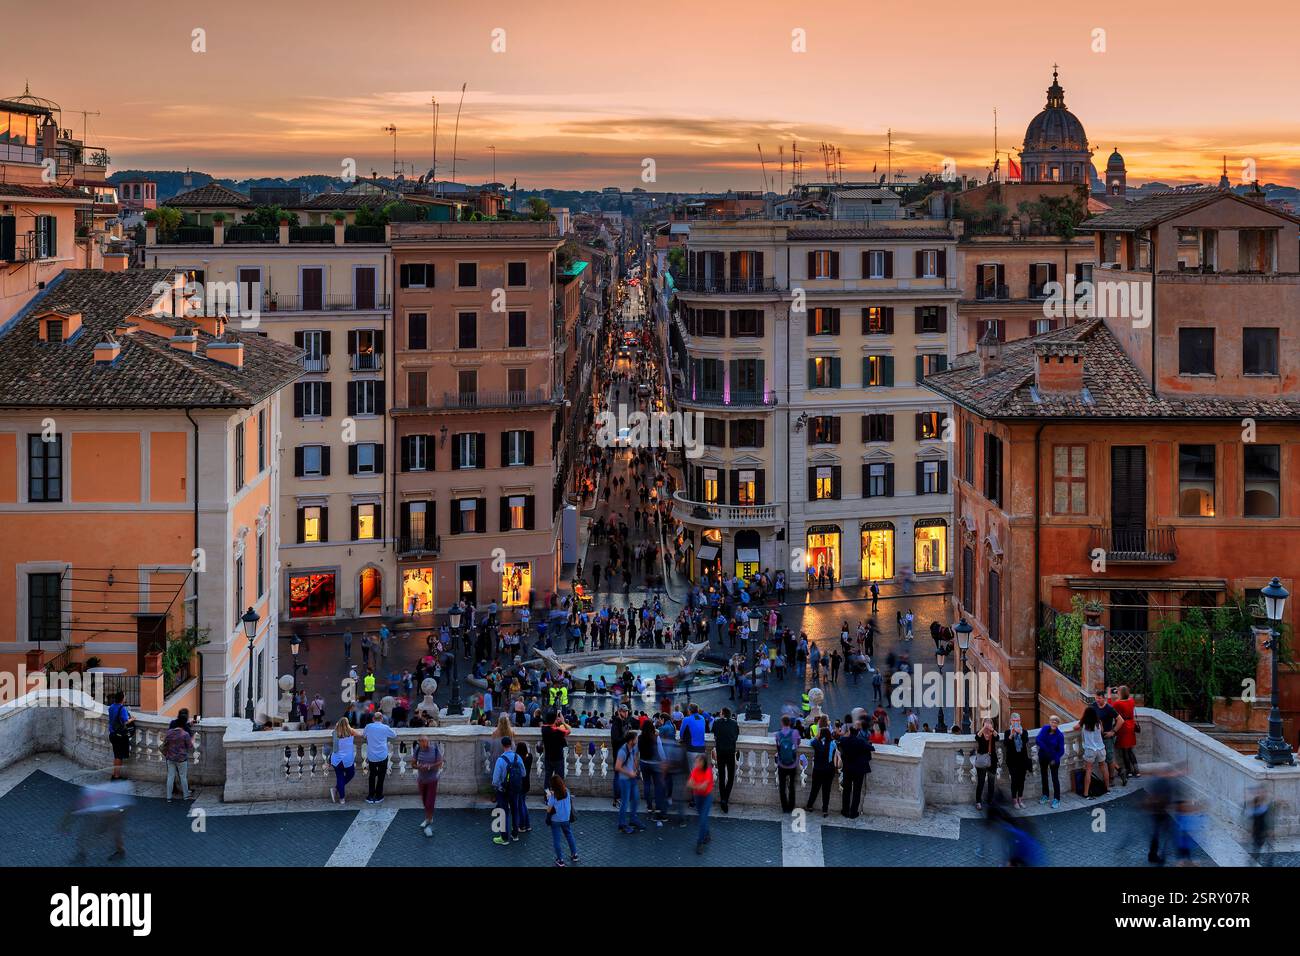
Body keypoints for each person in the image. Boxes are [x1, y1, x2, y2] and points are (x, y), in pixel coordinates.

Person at [491, 735, 526, 845]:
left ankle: (504, 838)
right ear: (511, 744)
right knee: (515, 810)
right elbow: (523, 773)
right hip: (515, 789)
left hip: (503, 789)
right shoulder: (518, 757)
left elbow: (496, 779)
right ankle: (515, 834)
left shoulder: (501, 760)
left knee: (503, 812)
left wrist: (496, 786)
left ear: (502, 745)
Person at [838, 724, 873, 819]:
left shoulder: (844, 740)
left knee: (846, 790)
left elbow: (839, 745)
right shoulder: (861, 741)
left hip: (847, 769)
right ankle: (853, 812)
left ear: (849, 732)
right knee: (856, 791)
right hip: (858, 770)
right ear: (858, 733)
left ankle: (845, 811)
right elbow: (871, 748)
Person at [363, 712, 397, 804]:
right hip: (382, 755)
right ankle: (378, 796)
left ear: (373, 719)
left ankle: (370, 796)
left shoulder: (368, 726)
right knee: (381, 776)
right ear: (381, 719)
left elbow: (364, 735)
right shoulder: (385, 727)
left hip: (372, 756)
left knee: (372, 776)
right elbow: (394, 735)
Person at [614, 729, 645, 833]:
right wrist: (629, 773)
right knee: (625, 802)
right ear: (631, 740)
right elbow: (617, 767)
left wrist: (636, 770)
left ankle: (633, 819)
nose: (637, 739)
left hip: (632, 778)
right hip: (624, 780)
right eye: (636, 738)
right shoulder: (622, 751)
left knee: (636, 799)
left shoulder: (632, 748)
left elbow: (635, 758)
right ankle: (622, 824)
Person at [414, 734, 444, 836]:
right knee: (424, 800)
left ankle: (428, 819)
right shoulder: (417, 750)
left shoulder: (435, 750)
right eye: (422, 742)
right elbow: (413, 764)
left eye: (426, 742)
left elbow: (440, 763)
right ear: (420, 743)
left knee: (429, 802)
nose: (424, 744)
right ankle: (429, 818)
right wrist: (419, 766)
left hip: (432, 780)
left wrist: (430, 766)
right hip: (421, 779)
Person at [546, 773, 579, 866]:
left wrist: (549, 797)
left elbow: (548, 809)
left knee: (557, 840)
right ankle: (574, 854)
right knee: (569, 835)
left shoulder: (553, 796)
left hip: (555, 820)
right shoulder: (567, 791)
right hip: (566, 819)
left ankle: (560, 860)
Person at [329, 717, 364, 804]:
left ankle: (341, 798)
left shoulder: (335, 733)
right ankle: (337, 791)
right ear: (347, 724)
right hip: (347, 759)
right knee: (350, 774)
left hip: (337, 759)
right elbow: (360, 735)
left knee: (340, 778)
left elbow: (335, 749)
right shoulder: (351, 732)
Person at [161, 712, 194, 801]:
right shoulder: (185, 734)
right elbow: (190, 747)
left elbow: (165, 741)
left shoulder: (169, 732)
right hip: (181, 758)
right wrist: (192, 739)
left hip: (170, 757)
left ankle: (168, 797)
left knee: (170, 777)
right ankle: (186, 796)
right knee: (183, 777)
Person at [711, 707, 739, 813]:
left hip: (720, 752)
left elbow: (714, 734)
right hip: (730, 752)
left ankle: (723, 799)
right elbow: (736, 736)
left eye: (721, 713)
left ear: (723, 714)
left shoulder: (717, 723)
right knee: (731, 777)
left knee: (722, 777)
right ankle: (725, 799)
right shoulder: (734, 723)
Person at [1002, 713, 1032, 809]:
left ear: (1020, 721)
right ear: (1011, 721)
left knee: (1021, 780)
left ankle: (1020, 799)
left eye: (1018, 720)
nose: (1016, 722)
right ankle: (1014, 800)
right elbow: (1005, 744)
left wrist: (1020, 733)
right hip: (1012, 761)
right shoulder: (1007, 732)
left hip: (1022, 760)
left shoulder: (1024, 732)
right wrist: (1011, 735)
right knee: (1014, 780)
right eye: (1014, 720)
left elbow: (1026, 741)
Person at [686, 753, 715, 854]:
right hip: (698, 797)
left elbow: (700, 786)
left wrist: (695, 785)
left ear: (703, 763)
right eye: (696, 761)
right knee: (702, 818)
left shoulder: (707, 771)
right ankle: (707, 834)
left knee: (703, 818)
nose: (696, 763)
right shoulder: (695, 770)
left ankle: (700, 842)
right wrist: (698, 786)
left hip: (706, 797)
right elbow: (689, 783)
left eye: (698, 762)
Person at [805, 727, 836, 817]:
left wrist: (817, 736)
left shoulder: (816, 743)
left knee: (814, 789)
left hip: (818, 769)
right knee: (826, 791)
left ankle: (809, 806)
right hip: (829, 770)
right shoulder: (833, 743)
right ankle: (825, 810)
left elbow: (810, 742)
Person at [1036, 714, 1065, 808]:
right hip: (1043, 757)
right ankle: (1045, 795)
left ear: (1058, 724)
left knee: (1055, 779)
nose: (1053, 723)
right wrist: (1048, 750)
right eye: (1052, 721)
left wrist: (1055, 758)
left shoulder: (1060, 735)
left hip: (1053, 759)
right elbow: (1038, 740)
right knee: (1044, 776)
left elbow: (1061, 750)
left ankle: (1057, 799)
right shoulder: (1045, 728)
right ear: (1049, 722)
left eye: (1055, 722)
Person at [1079, 704, 1107, 798]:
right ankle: (1107, 789)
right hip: (1100, 748)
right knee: (1103, 768)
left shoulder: (1084, 724)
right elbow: (1102, 731)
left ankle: (1086, 793)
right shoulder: (1098, 723)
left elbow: (1076, 727)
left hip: (1090, 750)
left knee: (1088, 770)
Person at [1112, 685, 1140, 779]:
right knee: (1130, 750)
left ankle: (1129, 771)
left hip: (1123, 727)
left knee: (1125, 750)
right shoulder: (1131, 700)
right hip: (1131, 725)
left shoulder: (1118, 703)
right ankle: (1137, 771)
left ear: (1120, 693)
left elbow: (1110, 707)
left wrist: (1109, 693)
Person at [774, 715, 800, 813]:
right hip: (793, 764)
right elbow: (798, 743)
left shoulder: (778, 734)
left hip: (782, 764)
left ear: (782, 723)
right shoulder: (795, 732)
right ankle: (791, 806)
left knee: (782, 786)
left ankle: (784, 807)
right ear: (790, 723)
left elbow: (778, 746)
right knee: (792, 786)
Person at [107, 691, 133, 780]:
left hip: (112, 734)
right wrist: (132, 719)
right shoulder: (122, 709)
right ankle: (116, 776)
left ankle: (115, 774)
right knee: (119, 756)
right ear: (122, 699)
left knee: (116, 755)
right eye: (124, 697)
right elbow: (125, 721)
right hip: (119, 736)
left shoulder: (111, 707)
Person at [973, 718, 999, 810]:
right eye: (986, 722)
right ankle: (978, 801)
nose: (988, 724)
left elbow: (998, 737)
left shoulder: (993, 733)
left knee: (991, 782)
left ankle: (990, 800)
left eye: (989, 722)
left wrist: (992, 729)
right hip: (982, 761)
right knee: (981, 782)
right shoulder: (980, 732)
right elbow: (977, 736)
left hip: (992, 761)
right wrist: (984, 728)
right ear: (983, 723)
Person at [540, 710, 570, 787]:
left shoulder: (543, 729)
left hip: (548, 757)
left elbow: (549, 726)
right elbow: (569, 731)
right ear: (555, 720)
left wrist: (555, 720)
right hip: (558, 758)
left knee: (548, 777)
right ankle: (559, 795)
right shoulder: (557, 731)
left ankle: (547, 796)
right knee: (559, 778)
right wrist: (563, 722)